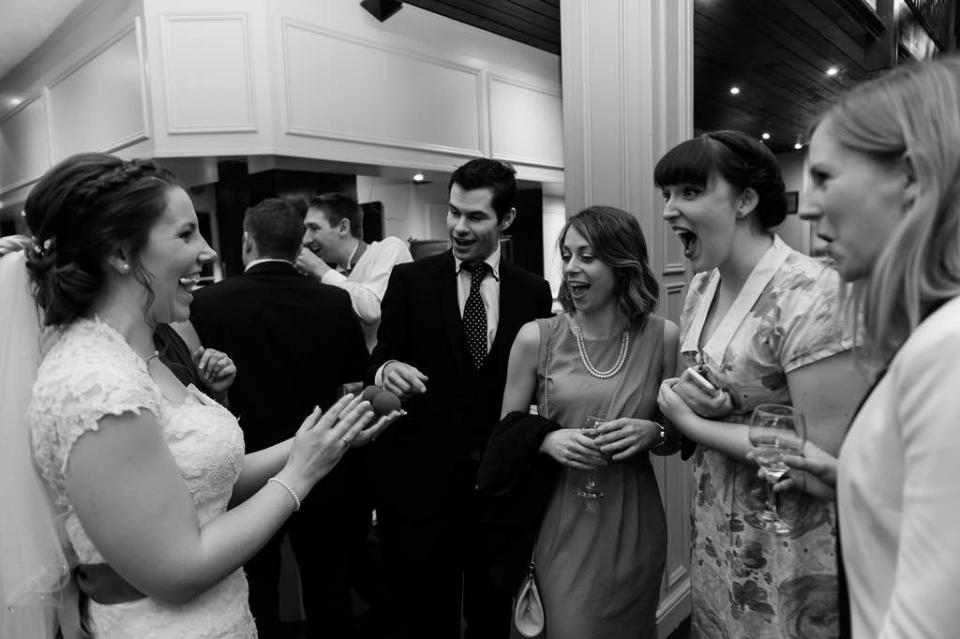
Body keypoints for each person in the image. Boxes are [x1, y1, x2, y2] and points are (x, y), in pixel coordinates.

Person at [7, 153, 397, 638]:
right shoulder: (94, 383)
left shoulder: (141, 355)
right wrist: (302, 472)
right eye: (186, 234)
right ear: (121, 253)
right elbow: (177, 572)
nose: (209, 251)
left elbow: (200, 487)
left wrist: (315, 442)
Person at [772, 56, 960, 638]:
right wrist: (850, 476)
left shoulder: (948, 349)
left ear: (911, 176)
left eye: (825, 178)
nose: (805, 205)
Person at [653, 131, 865, 638]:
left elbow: (816, 458)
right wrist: (709, 398)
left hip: (786, 541)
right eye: (667, 195)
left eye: (688, 192)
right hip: (713, 528)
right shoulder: (702, 284)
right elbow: (735, 382)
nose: (668, 211)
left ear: (745, 200)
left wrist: (688, 423)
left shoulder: (814, 294)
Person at [366, 157, 553, 638]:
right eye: (453, 213)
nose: (459, 227)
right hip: (422, 488)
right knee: (428, 615)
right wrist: (388, 369)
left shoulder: (533, 291)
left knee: (491, 616)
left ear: (506, 219)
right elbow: (379, 357)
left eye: (475, 217)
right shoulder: (411, 281)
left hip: (496, 492)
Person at [187, 197, 375, 638]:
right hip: (327, 469)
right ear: (298, 247)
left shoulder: (208, 303)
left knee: (255, 590)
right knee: (329, 590)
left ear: (247, 241)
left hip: (246, 468)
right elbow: (352, 384)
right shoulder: (333, 302)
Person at [494, 206, 678, 638]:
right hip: (560, 517)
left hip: (635, 520)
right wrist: (546, 441)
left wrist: (653, 431)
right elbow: (505, 433)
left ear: (621, 262)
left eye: (587, 256)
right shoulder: (536, 337)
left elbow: (676, 438)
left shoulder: (662, 337)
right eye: (567, 254)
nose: (572, 268)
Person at [297, 193, 412, 352]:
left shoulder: (390, 248)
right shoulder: (331, 276)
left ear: (343, 227)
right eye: (305, 230)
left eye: (314, 228)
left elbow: (372, 310)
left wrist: (320, 269)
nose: (305, 239)